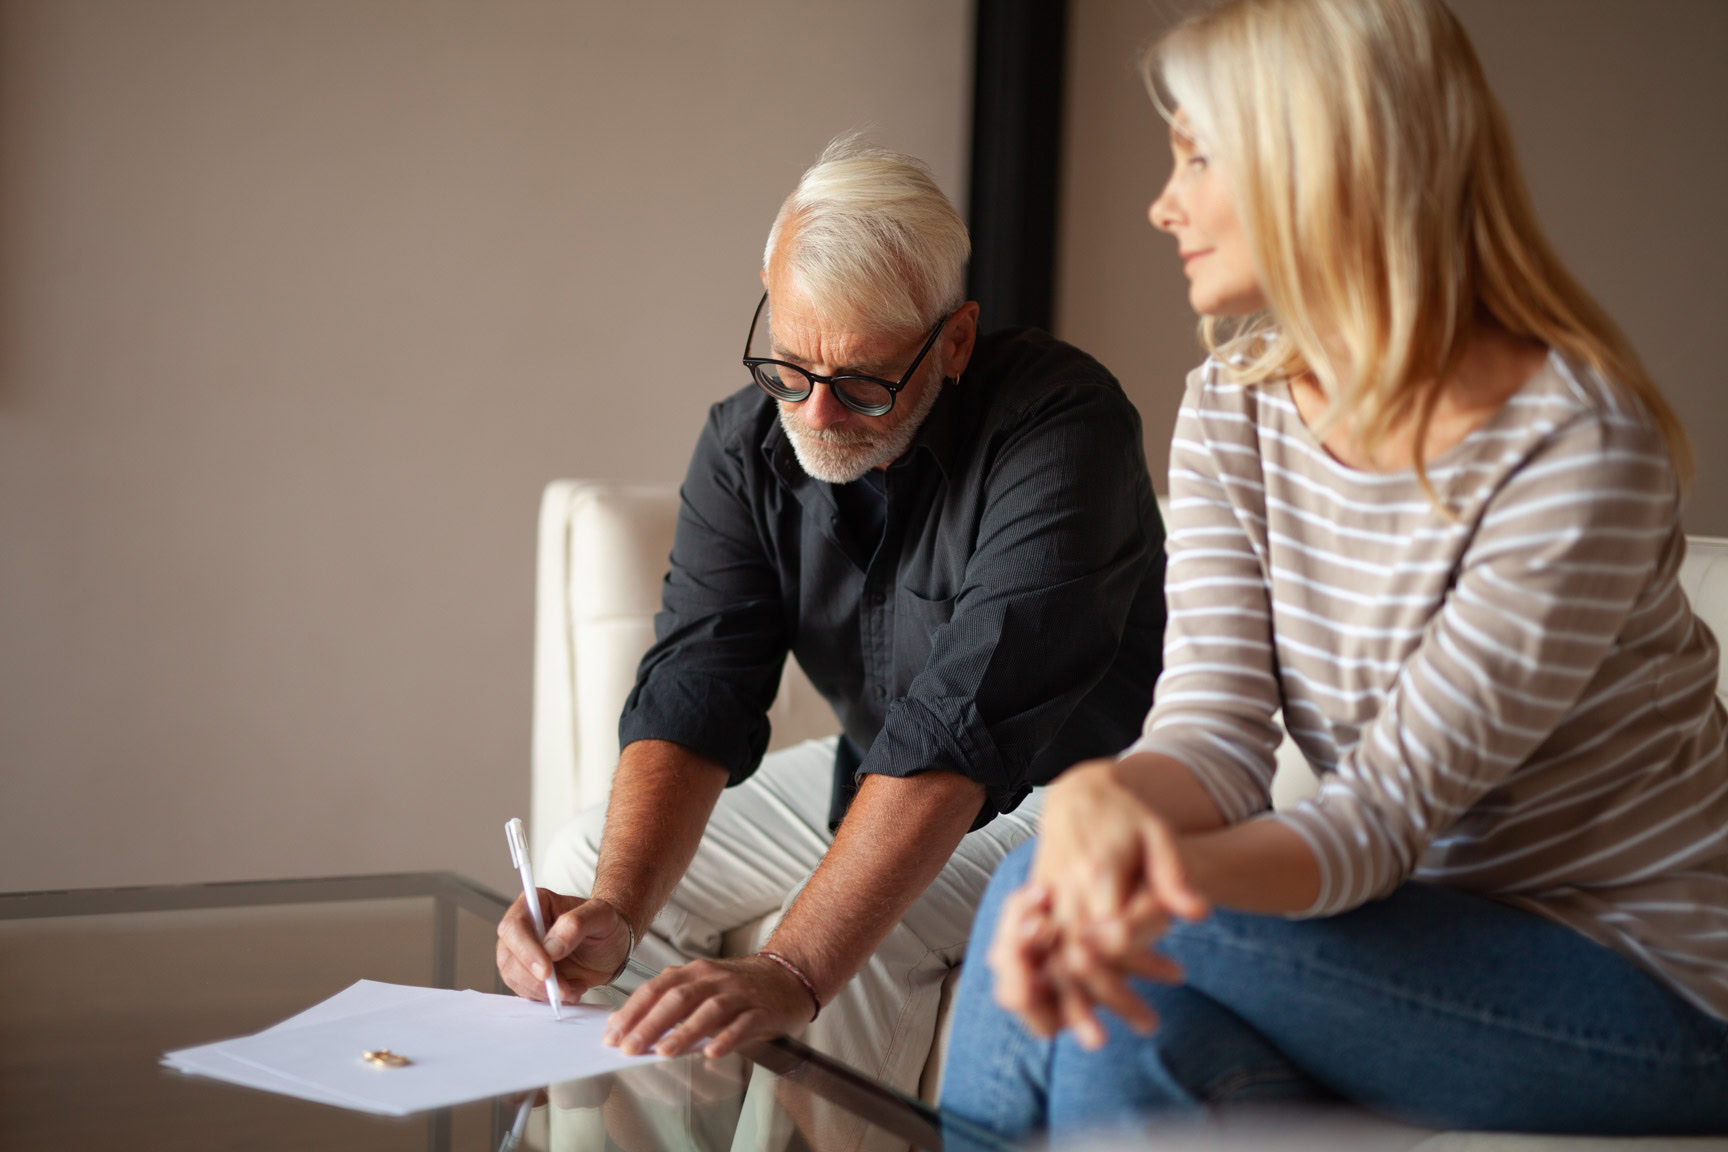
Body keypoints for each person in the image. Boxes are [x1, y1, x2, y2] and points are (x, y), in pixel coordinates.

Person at [938, 0, 1728, 1142]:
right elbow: (1215, 738)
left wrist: (1108, 873)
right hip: (1412, 944)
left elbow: (1374, 825)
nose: (1165, 204)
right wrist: (1104, 799)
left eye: (1199, 157)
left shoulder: (1574, 450)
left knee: (1043, 891)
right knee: (1122, 1021)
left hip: (1658, 989)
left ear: (1323, 162)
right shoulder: (1235, 407)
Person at [495, 135, 1167, 1137]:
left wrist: (791, 968)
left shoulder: (1064, 427)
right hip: (882, 760)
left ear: (953, 341)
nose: (814, 414)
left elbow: (963, 724)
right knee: (590, 858)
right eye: (790, 365)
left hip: (1091, 790)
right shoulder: (745, 441)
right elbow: (696, 688)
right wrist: (618, 909)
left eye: (861, 383)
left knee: (868, 934)